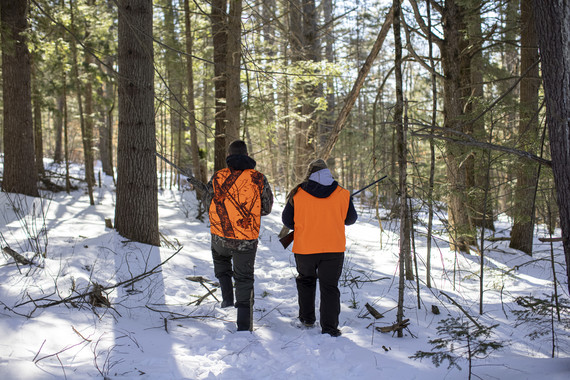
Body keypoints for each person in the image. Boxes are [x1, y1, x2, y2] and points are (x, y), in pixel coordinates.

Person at [189, 140, 273, 331]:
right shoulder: (258, 178)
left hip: (220, 235)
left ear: (229, 156)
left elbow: (208, 204)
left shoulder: (218, 176)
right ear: (246, 155)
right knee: (244, 278)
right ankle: (244, 324)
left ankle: (227, 298)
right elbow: (266, 209)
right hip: (246, 239)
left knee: (221, 261)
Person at [281, 159, 357, 337]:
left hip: (305, 248)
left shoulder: (297, 193)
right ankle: (330, 328)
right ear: (328, 173)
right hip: (333, 249)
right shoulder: (343, 193)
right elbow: (350, 219)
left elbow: (287, 221)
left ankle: (307, 319)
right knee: (329, 287)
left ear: (309, 173)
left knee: (306, 281)